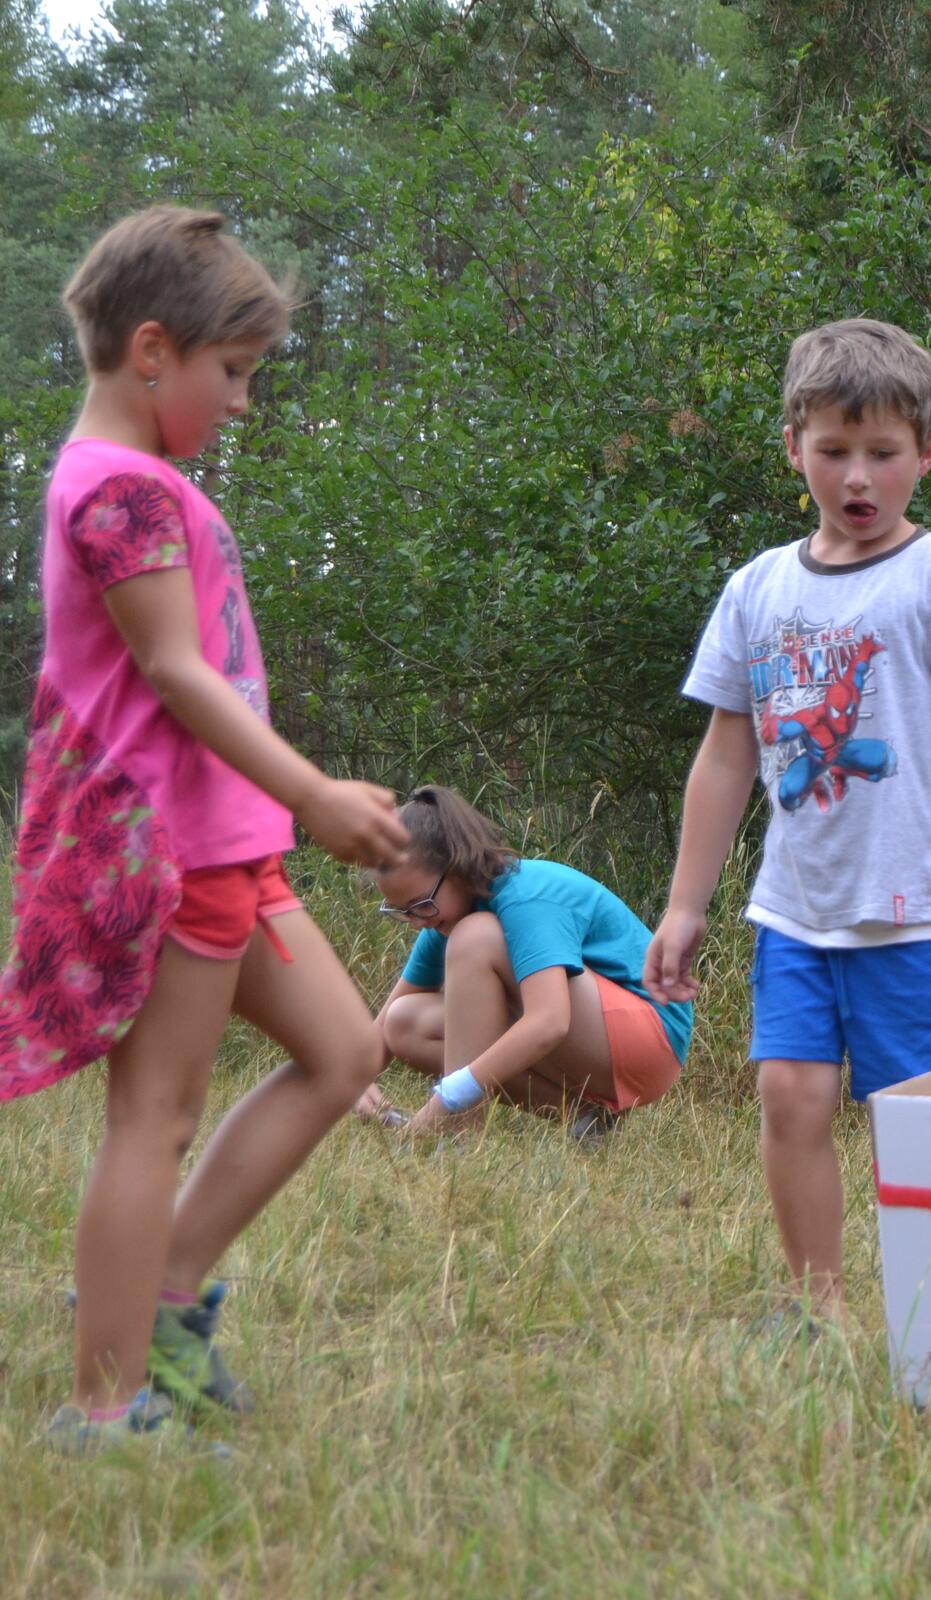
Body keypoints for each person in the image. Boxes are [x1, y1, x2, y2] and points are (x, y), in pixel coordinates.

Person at [0, 207, 411, 1453]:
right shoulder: (118, 491)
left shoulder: (145, 481)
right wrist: (317, 793)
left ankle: (162, 1300)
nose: (242, 402)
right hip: (165, 849)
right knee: (155, 1116)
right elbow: (178, 673)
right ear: (151, 351)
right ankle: (105, 1401)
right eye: (231, 374)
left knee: (346, 1053)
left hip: (227, 843)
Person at [645, 318, 931, 1319]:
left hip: (921, 913)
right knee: (789, 1098)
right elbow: (727, 755)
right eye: (833, 450)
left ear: (927, 452)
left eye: (884, 454)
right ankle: (820, 1307)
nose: (858, 476)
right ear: (792, 446)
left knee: (929, 1123)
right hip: (796, 914)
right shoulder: (756, 590)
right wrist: (686, 906)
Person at [351, 786, 693, 1141]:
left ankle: (458, 1132)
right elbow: (385, 1028)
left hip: (650, 1038)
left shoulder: (522, 897)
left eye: (421, 904)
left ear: (456, 865)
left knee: (475, 937)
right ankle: (584, 1121)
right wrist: (351, 1084)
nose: (418, 921)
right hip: (596, 1034)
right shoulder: (445, 916)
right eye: (402, 912)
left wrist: (445, 1101)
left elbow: (550, 1022)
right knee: (403, 1022)